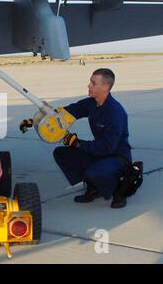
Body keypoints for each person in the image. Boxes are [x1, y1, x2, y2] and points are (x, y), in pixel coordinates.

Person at [20, 68, 131, 209]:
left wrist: (76, 143)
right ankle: (94, 187)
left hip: (117, 157)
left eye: (93, 83)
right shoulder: (91, 103)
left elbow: (107, 146)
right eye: (90, 82)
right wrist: (38, 119)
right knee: (61, 153)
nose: (89, 85)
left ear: (105, 87)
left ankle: (120, 190)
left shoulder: (115, 112)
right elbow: (65, 114)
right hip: (100, 153)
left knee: (93, 173)